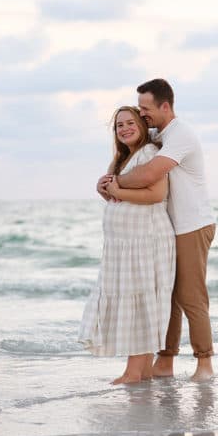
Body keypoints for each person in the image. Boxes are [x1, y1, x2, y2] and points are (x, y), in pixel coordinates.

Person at [97, 79, 217, 382]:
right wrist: (105, 181)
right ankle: (165, 362)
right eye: (140, 109)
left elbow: (149, 174)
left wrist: (116, 184)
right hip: (169, 227)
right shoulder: (156, 132)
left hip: (192, 225)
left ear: (165, 106)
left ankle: (205, 364)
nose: (142, 114)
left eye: (146, 108)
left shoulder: (181, 134)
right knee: (168, 296)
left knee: (190, 296)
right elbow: (130, 144)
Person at [80, 106, 176, 384]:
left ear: (142, 126)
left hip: (145, 241)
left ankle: (133, 372)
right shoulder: (123, 158)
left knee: (141, 301)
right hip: (125, 245)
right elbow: (116, 197)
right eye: (119, 125)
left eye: (130, 122)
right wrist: (104, 190)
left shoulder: (148, 153)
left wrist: (117, 190)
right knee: (138, 301)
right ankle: (143, 370)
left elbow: (157, 194)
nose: (124, 129)